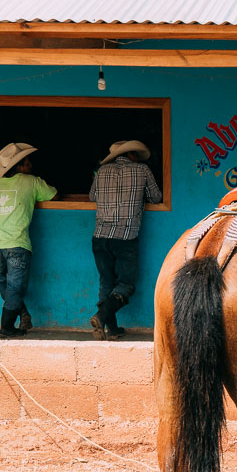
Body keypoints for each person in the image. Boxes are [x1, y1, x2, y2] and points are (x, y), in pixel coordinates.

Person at [0, 143, 57, 339]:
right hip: (17, 244)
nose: (30, 165)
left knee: (4, 285)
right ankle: (6, 327)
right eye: (26, 162)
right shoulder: (31, 182)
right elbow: (54, 195)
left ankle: (22, 314)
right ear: (18, 167)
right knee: (15, 288)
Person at [89, 139, 162, 340]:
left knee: (106, 282)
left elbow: (92, 197)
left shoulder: (101, 171)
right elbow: (156, 197)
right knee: (125, 285)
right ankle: (101, 317)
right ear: (131, 155)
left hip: (100, 235)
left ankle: (110, 329)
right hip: (126, 236)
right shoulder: (142, 170)